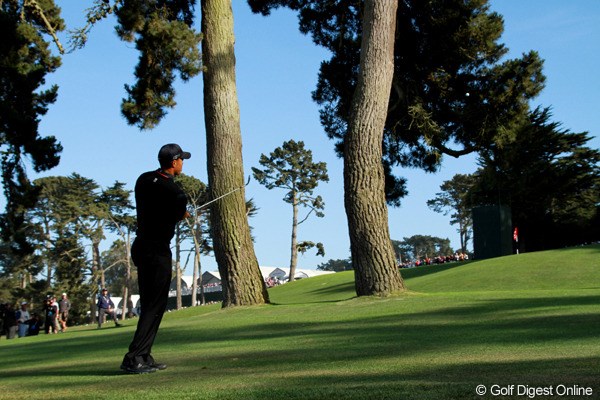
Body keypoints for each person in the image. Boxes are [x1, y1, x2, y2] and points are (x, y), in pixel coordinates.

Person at [121, 143, 190, 374]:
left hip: (141, 246)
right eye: (182, 160)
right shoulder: (174, 191)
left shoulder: (144, 179)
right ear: (174, 162)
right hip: (157, 250)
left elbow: (160, 207)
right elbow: (177, 202)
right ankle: (133, 358)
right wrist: (181, 213)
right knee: (153, 305)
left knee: (155, 304)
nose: (183, 164)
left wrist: (175, 213)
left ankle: (143, 355)